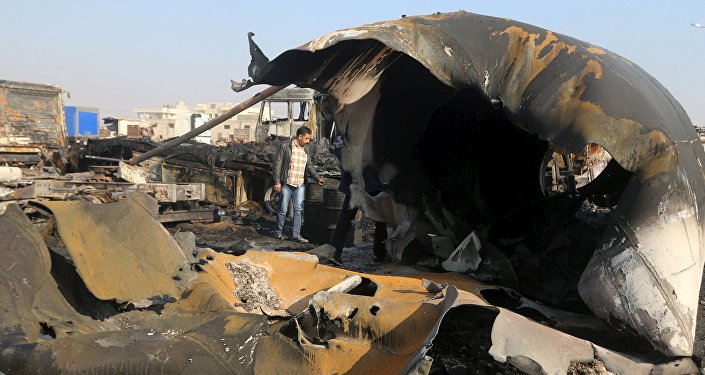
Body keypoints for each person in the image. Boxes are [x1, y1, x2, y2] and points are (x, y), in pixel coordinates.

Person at [271, 126, 324, 242]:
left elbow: (309, 166)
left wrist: (317, 178)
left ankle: (296, 235)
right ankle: (278, 232)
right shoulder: (285, 146)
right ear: (300, 137)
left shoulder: (306, 149)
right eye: (306, 138)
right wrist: (277, 182)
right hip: (287, 183)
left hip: (300, 184)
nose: (308, 141)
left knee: (299, 209)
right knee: (283, 209)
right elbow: (277, 165)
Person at [331, 169, 389, 262]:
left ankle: (334, 252)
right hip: (373, 180)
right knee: (381, 218)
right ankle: (380, 253)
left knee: (346, 217)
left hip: (354, 180)